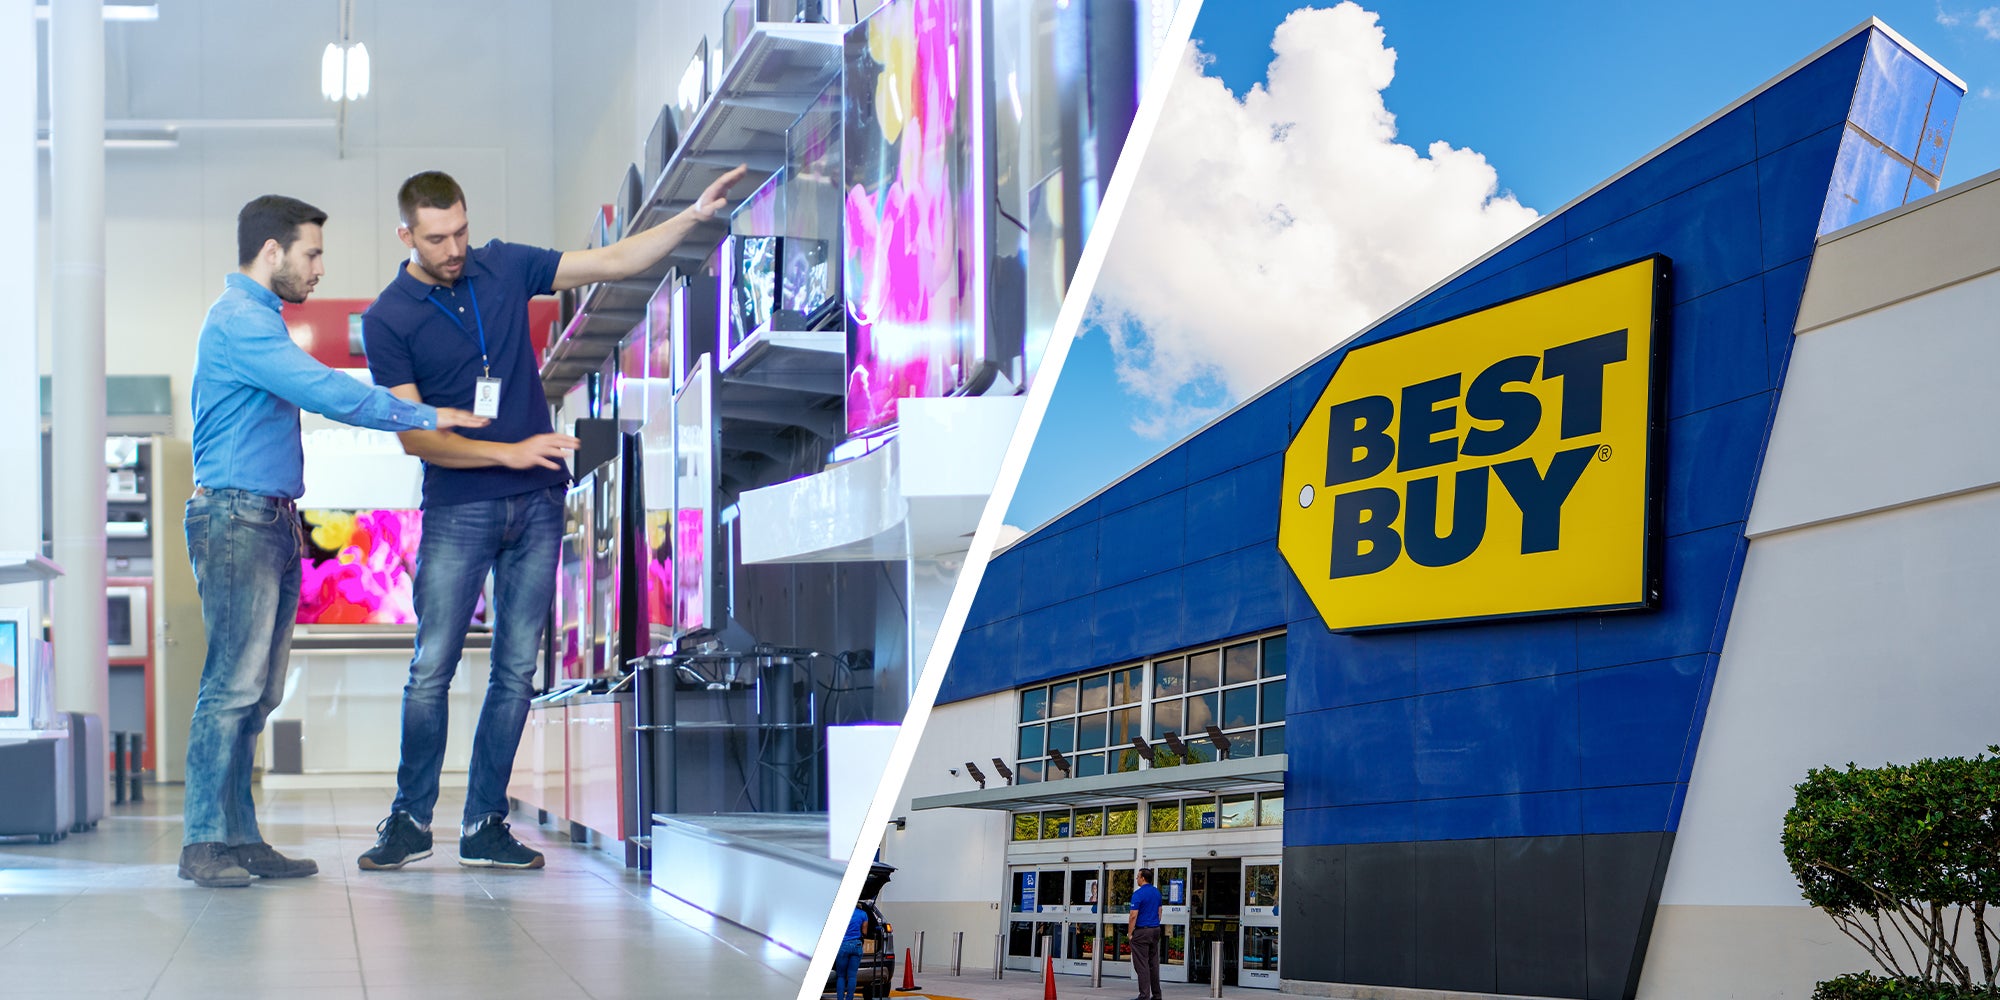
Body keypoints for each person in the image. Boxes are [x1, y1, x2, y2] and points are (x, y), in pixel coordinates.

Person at [356, 164, 748, 871]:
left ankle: (484, 824)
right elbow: (416, 437)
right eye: (438, 238)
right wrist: (510, 453)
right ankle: (410, 819)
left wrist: (690, 218)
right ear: (406, 235)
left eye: (461, 231)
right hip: (458, 509)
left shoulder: (505, 266)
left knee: (515, 672)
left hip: (537, 505)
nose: (455, 249)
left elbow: (613, 260)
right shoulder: (388, 318)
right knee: (431, 668)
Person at [178, 195, 489, 888]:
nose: (319, 268)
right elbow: (326, 392)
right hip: (236, 517)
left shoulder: (260, 319)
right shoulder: (238, 321)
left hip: (268, 518)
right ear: (272, 251)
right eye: (311, 253)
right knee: (231, 686)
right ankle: (203, 841)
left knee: (258, 693)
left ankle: (239, 837)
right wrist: (427, 414)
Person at [1128, 867, 1164, 1000]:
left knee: (1142, 964)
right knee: (1153, 964)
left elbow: (1133, 915)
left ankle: (1144, 995)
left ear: (1143, 878)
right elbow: (1160, 912)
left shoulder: (1138, 894)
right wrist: (1155, 923)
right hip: (1155, 930)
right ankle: (1157, 995)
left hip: (1142, 931)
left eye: (1138, 877)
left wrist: (1130, 933)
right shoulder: (1156, 892)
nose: (1136, 879)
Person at [834, 902, 869, 1000]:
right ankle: (849, 998)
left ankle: (840, 998)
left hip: (843, 945)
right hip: (857, 945)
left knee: (841, 976)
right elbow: (864, 932)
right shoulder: (863, 914)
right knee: (852, 976)